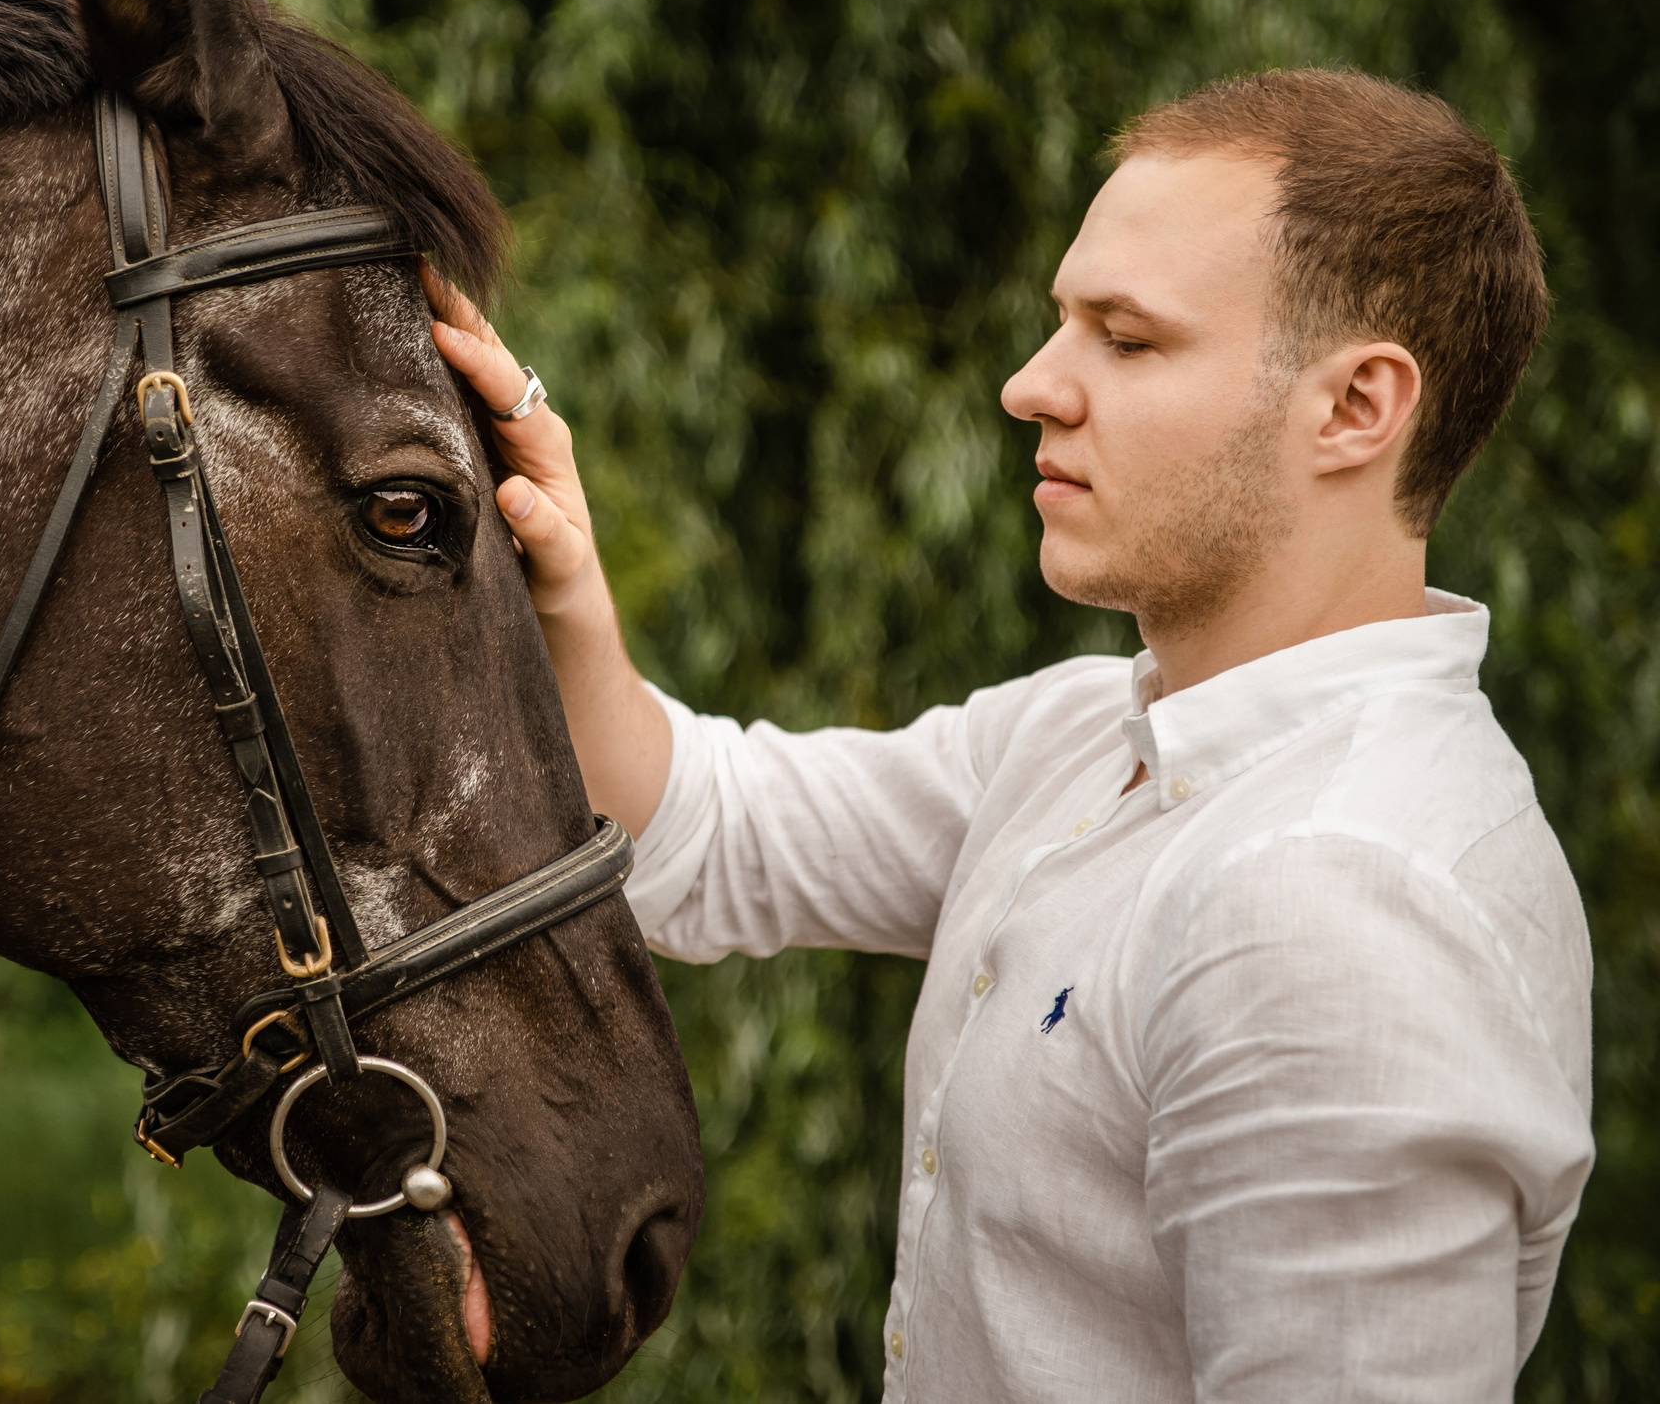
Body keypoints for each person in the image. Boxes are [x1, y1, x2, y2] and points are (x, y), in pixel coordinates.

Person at [428, 68, 1594, 1402]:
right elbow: (706, 836)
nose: (1032, 386)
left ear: (1355, 409)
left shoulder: (1333, 906)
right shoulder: (1091, 735)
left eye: (1128, 338)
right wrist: (563, 593)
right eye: (1061, 323)